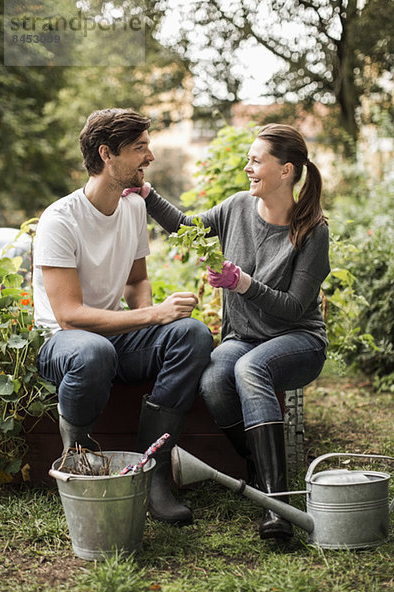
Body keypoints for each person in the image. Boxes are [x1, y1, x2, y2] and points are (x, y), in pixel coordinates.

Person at [130, 123, 330, 540]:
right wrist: (147, 196)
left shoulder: (312, 230)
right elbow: (187, 226)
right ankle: (259, 468)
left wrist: (243, 284)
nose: (248, 168)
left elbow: (294, 307)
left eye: (257, 161)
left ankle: (278, 505)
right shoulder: (237, 206)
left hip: (298, 340)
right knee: (216, 378)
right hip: (242, 338)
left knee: (250, 369)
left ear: (286, 171)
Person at [33, 108, 214, 525]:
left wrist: (156, 320)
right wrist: (151, 315)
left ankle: (151, 471)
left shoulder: (133, 207)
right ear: (106, 154)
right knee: (93, 353)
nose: (149, 157)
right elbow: (68, 316)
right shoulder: (60, 220)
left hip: (110, 335)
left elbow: (136, 282)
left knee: (191, 335)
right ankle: (76, 459)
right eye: (139, 148)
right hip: (64, 343)